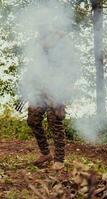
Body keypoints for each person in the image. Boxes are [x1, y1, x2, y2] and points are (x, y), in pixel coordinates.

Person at [27, 29, 69, 171]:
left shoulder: (61, 52)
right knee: (33, 119)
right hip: (40, 91)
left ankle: (59, 159)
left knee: (54, 122)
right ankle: (45, 154)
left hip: (55, 92)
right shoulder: (40, 53)